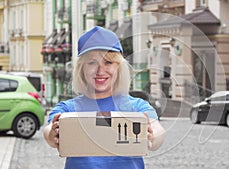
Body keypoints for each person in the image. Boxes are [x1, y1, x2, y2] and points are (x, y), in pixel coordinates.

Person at [43, 26, 165, 169]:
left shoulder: (137, 107)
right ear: (81, 68)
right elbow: (49, 130)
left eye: (108, 62)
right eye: (92, 63)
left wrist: (152, 136)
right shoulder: (68, 108)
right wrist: (52, 135)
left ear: (119, 67)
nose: (100, 71)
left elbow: (158, 130)